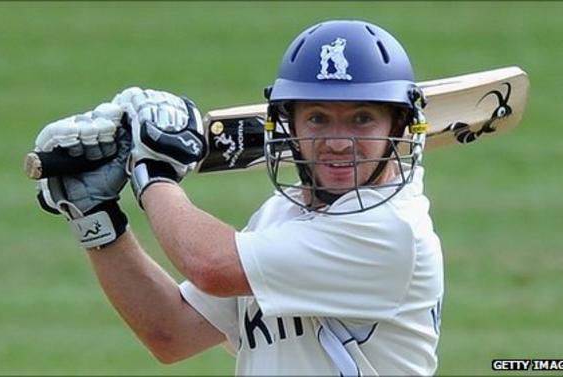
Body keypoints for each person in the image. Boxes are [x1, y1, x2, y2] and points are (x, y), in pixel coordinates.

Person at [32, 19, 444, 376]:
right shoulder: (282, 216)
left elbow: (211, 265)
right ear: (288, 125)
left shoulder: (390, 231)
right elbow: (170, 332)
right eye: (317, 118)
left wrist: (152, 172)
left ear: (402, 126)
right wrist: (95, 219)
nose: (337, 142)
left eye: (361, 119)